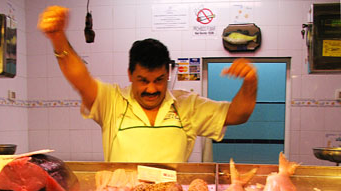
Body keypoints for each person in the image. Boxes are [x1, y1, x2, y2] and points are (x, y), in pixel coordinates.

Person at [38, 6, 258, 163]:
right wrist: (58, 37)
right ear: (130, 75)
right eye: (143, 80)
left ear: (168, 74)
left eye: (159, 80)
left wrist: (250, 83)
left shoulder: (187, 105)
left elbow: (238, 115)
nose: (151, 89)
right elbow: (80, 79)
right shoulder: (111, 101)